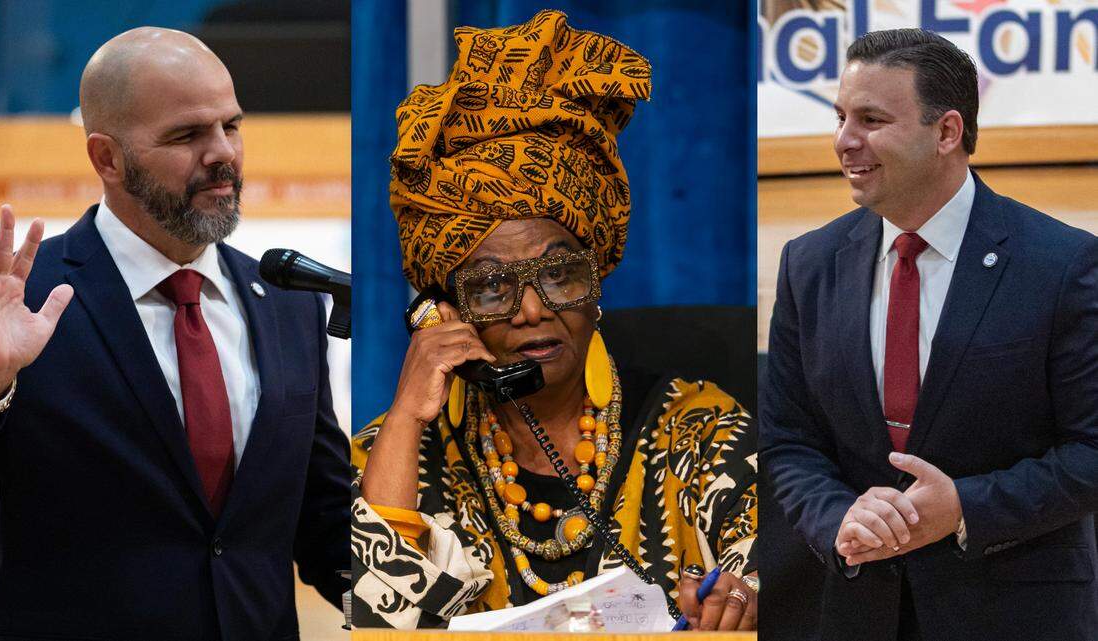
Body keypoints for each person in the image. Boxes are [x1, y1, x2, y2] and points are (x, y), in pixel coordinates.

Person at [349, 10, 757, 631]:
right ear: (445, 313)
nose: (534, 309)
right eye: (492, 288)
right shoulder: (392, 455)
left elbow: (770, 567)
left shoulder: (697, 430)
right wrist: (406, 417)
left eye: (560, 273)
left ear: (595, 288)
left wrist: (744, 594)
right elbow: (380, 627)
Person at [0, 28, 350, 640]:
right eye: (187, 135)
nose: (222, 152)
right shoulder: (11, 302)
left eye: (232, 126)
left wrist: (454, 615)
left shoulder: (288, 304)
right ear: (106, 158)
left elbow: (325, 527)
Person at [761, 28, 1098, 641]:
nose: (843, 141)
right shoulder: (807, 264)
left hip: (1015, 612)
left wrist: (967, 507)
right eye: (840, 117)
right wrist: (838, 517)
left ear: (946, 132)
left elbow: (1092, 449)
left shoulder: (1064, 263)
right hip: (857, 611)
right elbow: (789, 441)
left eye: (870, 119)